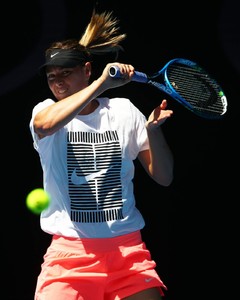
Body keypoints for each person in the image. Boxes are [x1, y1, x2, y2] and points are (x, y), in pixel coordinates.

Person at [29, 9, 174, 300]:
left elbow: (164, 177)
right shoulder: (44, 111)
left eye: (66, 74)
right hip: (70, 256)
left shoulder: (123, 112)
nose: (58, 82)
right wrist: (102, 85)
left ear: (86, 70)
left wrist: (154, 131)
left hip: (128, 254)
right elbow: (46, 124)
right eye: (52, 77)